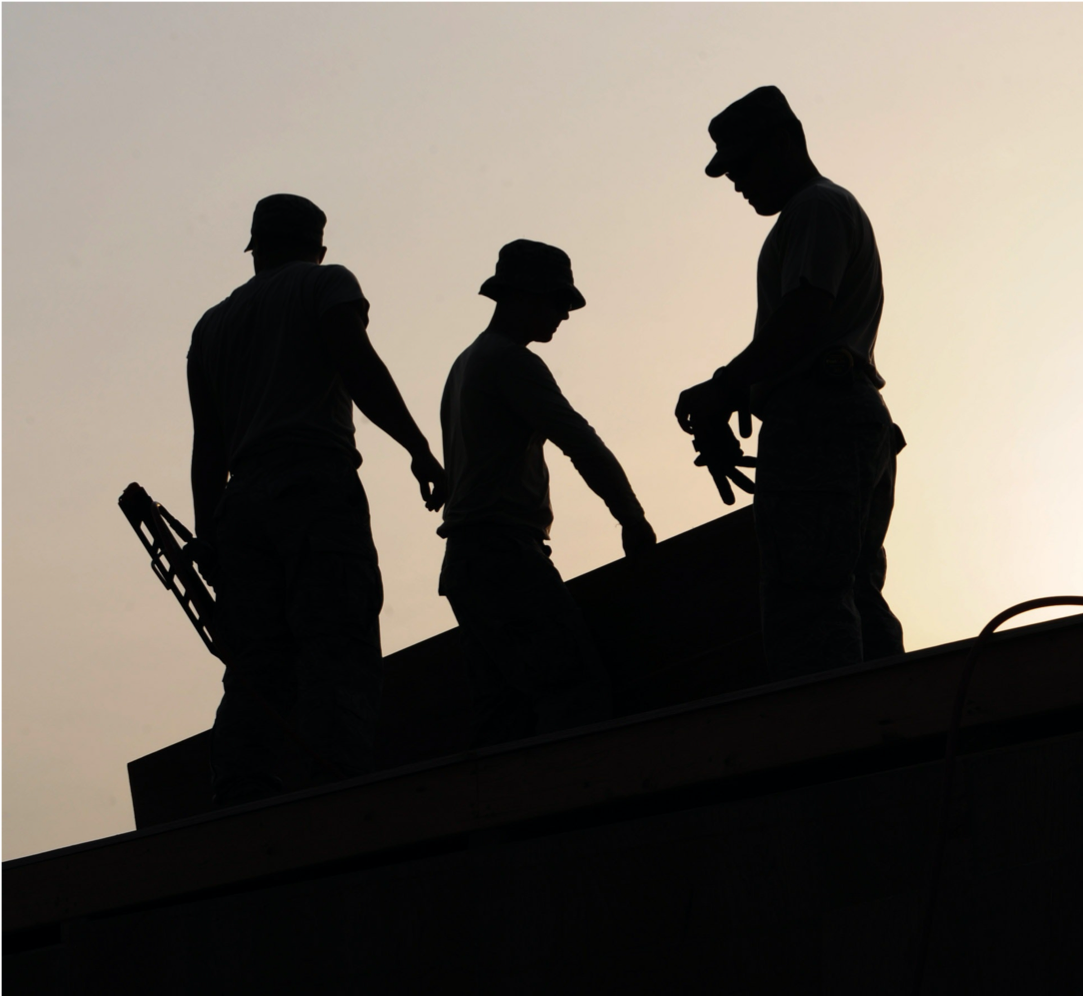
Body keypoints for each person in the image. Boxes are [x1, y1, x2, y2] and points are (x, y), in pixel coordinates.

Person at [187, 193, 447, 806]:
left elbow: (207, 448)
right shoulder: (326, 284)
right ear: (317, 246)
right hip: (312, 485)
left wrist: (208, 538)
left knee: (254, 664)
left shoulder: (210, 326)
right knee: (337, 639)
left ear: (256, 250)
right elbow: (357, 367)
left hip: (240, 505)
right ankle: (341, 795)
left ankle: (241, 795)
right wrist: (417, 447)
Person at [676, 86, 905, 681]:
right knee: (851, 591)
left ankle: (833, 748)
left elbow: (805, 312)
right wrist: (742, 397)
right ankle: (894, 734)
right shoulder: (812, 216)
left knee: (809, 602)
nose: (736, 183)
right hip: (840, 417)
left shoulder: (815, 207)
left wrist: (726, 388)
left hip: (823, 420)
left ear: (785, 142)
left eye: (742, 165)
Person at [437, 240, 656, 747]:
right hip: (503, 556)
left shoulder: (465, 363)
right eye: (556, 302)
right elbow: (580, 442)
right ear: (521, 297)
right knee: (574, 693)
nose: (564, 314)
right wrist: (632, 517)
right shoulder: (510, 363)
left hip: (468, 563)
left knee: (503, 712)